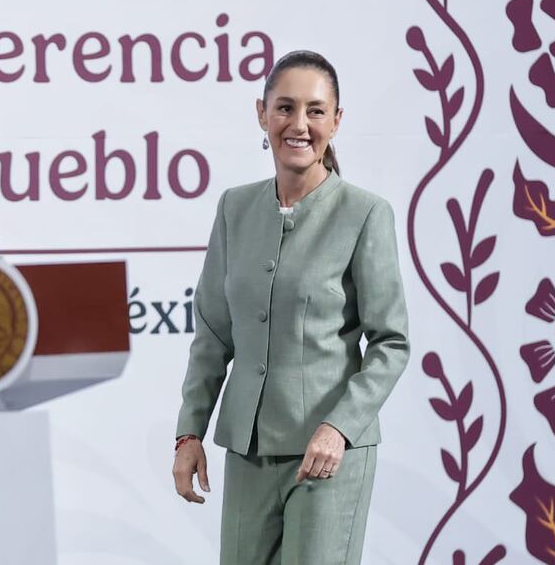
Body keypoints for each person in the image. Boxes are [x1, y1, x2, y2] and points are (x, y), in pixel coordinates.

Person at [172, 50, 410, 564]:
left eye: (316, 110)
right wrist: (188, 432)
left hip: (330, 454)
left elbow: (391, 343)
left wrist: (339, 428)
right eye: (284, 108)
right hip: (249, 449)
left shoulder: (366, 214)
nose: (299, 124)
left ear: (337, 121)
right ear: (262, 114)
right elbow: (213, 334)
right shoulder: (235, 207)